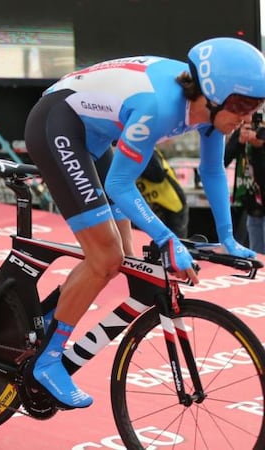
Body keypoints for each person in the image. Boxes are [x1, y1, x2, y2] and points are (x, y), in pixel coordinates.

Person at [23, 37, 262, 408]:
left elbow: (213, 171)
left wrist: (228, 239)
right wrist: (168, 239)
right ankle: (48, 358)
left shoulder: (212, 116)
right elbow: (119, 185)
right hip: (58, 122)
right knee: (105, 257)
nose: (247, 117)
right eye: (243, 105)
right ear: (214, 95)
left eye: (256, 107)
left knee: (124, 257)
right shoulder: (161, 107)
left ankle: (44, 319)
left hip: (95, 133)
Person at [225, 119, 265, 253]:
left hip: (260, 195)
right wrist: (239, 141)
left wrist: (258, 148)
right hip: (248, 201)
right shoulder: (244, 130)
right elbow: (223, 160)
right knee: (256, 253)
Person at [136, 148, 189, 238]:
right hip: (148, 206)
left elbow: (157, 176)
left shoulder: (142, 148)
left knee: (176, 243)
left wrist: (131, 164)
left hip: (171, 205)